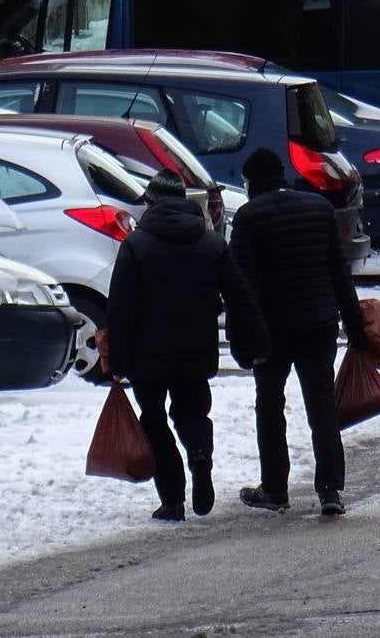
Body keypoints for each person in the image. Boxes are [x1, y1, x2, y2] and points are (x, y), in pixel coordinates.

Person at [107, 169, 267, 522]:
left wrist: (117, 360)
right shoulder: (211, 243)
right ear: (183, 200)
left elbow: (121, 307)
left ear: (151, 203)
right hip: (197, 349)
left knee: (154, 419)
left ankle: (173, 499)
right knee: (193, 412)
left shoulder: (136, 245)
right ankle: (200, 455)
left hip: (147, 355)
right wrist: (257, 342)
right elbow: (241, 296)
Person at [231, 147, 368, 516]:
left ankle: (275, 489)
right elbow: (340, 274)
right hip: (318, 325)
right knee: (322, 405)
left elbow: (239, 287)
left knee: (270, 406)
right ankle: (330, 491)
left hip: (271, 331)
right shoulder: (319, 209)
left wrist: (243, 344)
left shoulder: (248, 218)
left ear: (253, 182)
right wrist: (356, 328)